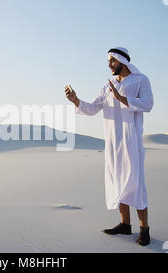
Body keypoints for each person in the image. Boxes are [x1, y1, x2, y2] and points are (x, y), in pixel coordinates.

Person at [65, 47, 154, 246]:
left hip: (131, 140)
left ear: (123, 60)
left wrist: (122, 98)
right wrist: (76, 100)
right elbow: (92, 108)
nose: (109, 64)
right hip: (113, 141)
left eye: (112, 60)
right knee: (118, 180)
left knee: (136, 184)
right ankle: (124, 224)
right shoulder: (108, 85)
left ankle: (144, 229)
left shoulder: (141, 80)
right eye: (108, 61)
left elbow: (148, 104)